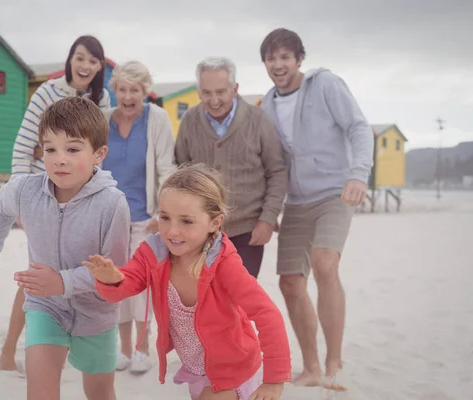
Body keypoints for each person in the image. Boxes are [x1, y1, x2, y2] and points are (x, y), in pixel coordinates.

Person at [84, 163, 292, 400]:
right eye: (165, 218)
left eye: (186, 221)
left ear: (215, 222)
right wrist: (112, 280)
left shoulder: (224, 264)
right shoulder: (154, 252)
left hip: (234, 369)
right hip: (196, 369)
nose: (172, 231)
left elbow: (267, 314)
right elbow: (126, 285)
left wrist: (275, 379)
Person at [0, 97, 130, 400]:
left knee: (100, 393)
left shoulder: (113, 204)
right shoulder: (25, 190)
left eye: (72, 149)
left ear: (99, 154)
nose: (59, 159)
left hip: (96, 315)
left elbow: (116, 275)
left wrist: (62, 282)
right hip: (46, 308)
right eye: (50, 149)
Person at [259, 28, 374, 391]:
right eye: (271, 58)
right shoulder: (268, 103)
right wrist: (270, 208)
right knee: (291, 282)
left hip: (334, 193)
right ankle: (309, 366)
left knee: (326, 263)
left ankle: (333, 358)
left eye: (285, 57)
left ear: (299, 59)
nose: (278, 65)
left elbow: (358, 127)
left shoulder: (325, 85)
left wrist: (358, 175)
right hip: (296, 200)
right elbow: (271, 161)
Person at [0, 35, 111, 372]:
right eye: (80, 57)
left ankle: (65, 346)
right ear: (70, 59)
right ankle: (8, 351)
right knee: (39, 272)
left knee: (72, 271)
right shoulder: (48, 92)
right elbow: (23, 145)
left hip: (81, 196)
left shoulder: (102, 99)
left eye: (92, 60)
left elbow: (95, 153)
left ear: (100, 66)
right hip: (41, 193)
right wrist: (20, 197)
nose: (85, 66)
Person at [175, 57, 287, 279]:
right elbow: (180, 172)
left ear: (235, 89)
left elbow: (277, 172)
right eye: (206, 93)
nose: (214, 100)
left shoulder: (258, 120)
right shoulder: (189, 121)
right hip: (201, 231)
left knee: (238, 304)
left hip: (248, 232)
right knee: (204, 300)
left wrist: (267, 219)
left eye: (221, 92)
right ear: (199, 92)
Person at [102, 60, 177, 373]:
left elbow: (166, 168)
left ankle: (143, 348)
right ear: (114, 90)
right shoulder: (103, 119)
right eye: (122, 89)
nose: (128, 96)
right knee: (115, 281)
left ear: (145, 92)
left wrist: (164, 213)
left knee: (141, 283)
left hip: (144, 217)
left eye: (135, 90)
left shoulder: (156, 118)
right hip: (109, 217)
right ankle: (122, 349)